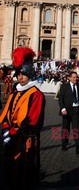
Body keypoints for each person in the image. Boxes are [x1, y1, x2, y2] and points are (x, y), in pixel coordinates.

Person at [0, 47, 46, 188]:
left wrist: (13, 132)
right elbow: (6, 113)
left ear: (30, 75)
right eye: (18, 74)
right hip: (11, 137)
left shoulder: (36, 94)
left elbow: (33, 119)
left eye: (23, 75)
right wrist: (6, 128)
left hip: (26, 139)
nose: (20, 77)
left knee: (25, 172)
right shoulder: (15, 92)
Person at [58, 71, 79, 153]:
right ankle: (64, 144)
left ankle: (78, 146)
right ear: (69, 78)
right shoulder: (64, 86)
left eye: (76, 77)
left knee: (76, 129)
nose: (75, 79)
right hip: (66, 110)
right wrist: (63, 108)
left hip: (76, 110)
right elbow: (60, 98)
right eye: (74, 77)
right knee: (65, 129)